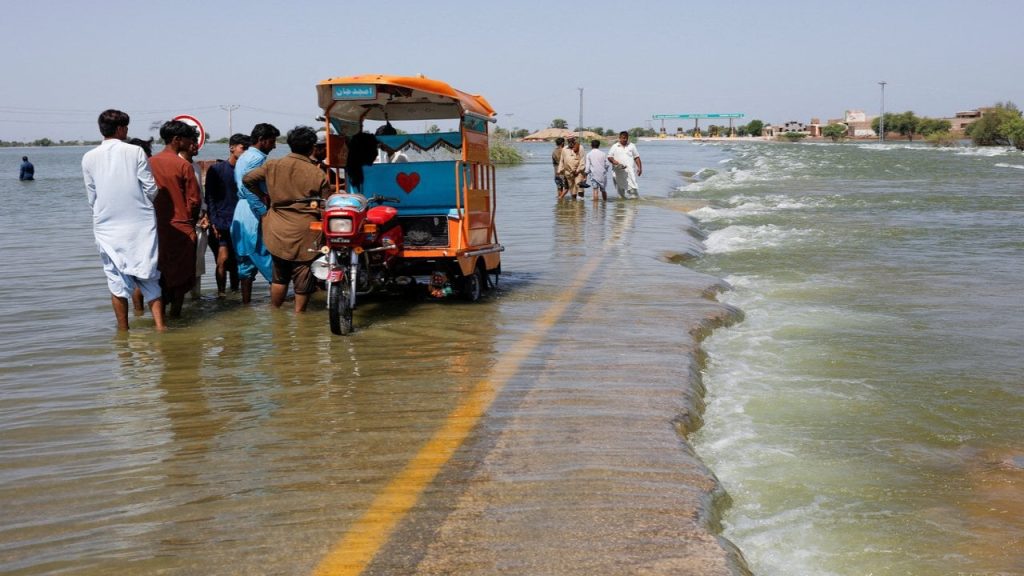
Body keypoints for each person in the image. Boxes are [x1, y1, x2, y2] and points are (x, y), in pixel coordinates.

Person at [81, 109, 166, 331]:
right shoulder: (135, 151)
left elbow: (92, 196)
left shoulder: (88, 157)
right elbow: (151, 188)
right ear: (120, 129)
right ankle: (160, 328)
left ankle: (123, 333)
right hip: (139, 224)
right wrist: (141, 203)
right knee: (149, 276)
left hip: (106, 226)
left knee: (115, 281)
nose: (127, 131)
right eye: (126, 127)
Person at [241, 126, 327, 312]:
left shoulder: (272, 165)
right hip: (306, 230)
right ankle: (299, 318)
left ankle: (276, 314)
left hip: (277, 227)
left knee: (279, 275)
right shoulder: (317, 173)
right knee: (303, 273)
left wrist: (265, 198)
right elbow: (325, 203)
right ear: (312, 147)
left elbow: (247, 179)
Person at [149, 120, 202, 317]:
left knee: (159, 275)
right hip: (181, 228)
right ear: (177, 140)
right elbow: (194, 201)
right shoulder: (183, 165)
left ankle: (159, 317)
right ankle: (176, 316)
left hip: (155, 228)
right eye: (188, 138)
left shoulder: (150, 162)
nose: (191, 143)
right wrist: (191, 221)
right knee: (181, 278)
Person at [231, 123, 279, 304]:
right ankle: (278, 310)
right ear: (262, 140)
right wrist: (263, 212)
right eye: (272, 142)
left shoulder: (244, 157)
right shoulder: (257, 159)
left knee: (245, 263)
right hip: (253, 212)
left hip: (241, 212)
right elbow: (249, 187)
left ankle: (245, 305)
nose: (274, 146)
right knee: (267, 259)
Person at [205, 133, 250, 297]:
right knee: (222, 259)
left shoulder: (247, 172)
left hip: (241, 222)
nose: (245, 152)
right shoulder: (217, 170)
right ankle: (221, 294)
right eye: (243, 148)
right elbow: (209, 198)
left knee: (238, 262)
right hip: (222, 221)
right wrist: (214, 222)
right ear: (232, 148)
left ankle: (235, 292)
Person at [178, 138, 209, 301]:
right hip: (184, 225)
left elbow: (200, 195)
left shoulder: (195, 166)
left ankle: (195, 300)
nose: (195, 146)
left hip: (199, 224)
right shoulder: (178, 165)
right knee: (183, 267)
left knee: (198, 266)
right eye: (191, 143)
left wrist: (204, 214)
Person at [608, 131, 643, 199]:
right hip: (618, 172)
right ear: (620, 138)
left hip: (629, 172)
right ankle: (621, 208)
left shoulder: (632, 146)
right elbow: (609, 157)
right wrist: (614, 161)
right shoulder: (615, 146)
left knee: (633, 190)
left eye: (626, 138)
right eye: (623, 138)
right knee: (620, 193)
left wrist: (640, 168)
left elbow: (636, 157)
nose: (625, 140)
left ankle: (633, 207)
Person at [557, 135, 585, 200]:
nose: (570, 142)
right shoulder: (564, 149)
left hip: (578, 172)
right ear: (567, 141)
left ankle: (581, 205)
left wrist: (578, 170)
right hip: (568, 173)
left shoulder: (580, 147)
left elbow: (582, 160)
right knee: (572, 190)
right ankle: (573, 205)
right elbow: (562, 160)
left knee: (580, 189)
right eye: (569, 141)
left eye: (572, 140)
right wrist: (559, 170)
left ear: (574, 140)